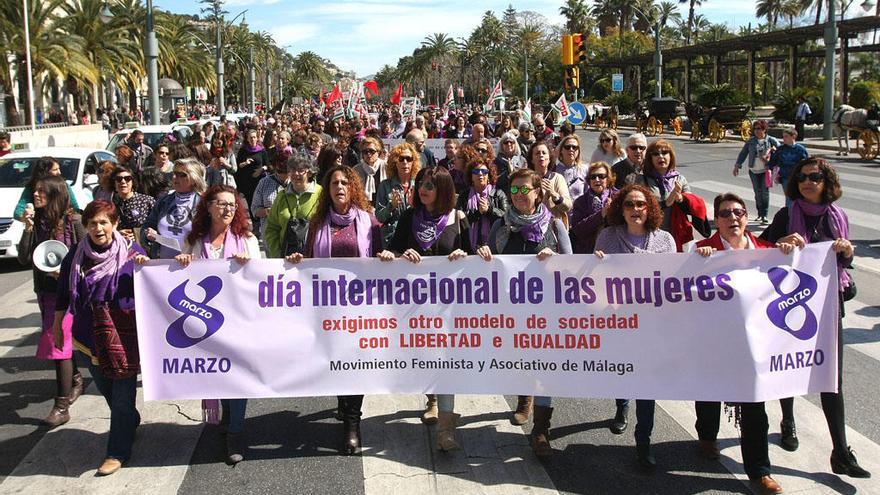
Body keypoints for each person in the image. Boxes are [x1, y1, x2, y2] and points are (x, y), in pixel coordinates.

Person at [759, 157, 870, 479]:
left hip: (828, 305)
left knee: (831, 377)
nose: (808, 181)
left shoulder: (838, 217)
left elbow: (844, 265)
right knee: (788, 365)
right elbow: (761, 246)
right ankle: (788, 419)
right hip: (790, 306)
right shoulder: (786, 214)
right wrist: (781, 244)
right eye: (803, 177)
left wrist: (847, 252)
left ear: (826, 182)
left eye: (816, 176)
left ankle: (841, 451)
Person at [692, 192, 794, 495]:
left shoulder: (767, 250)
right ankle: (707, 436)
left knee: (754, 407)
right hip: (714, 340)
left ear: (746, 217)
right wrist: (697, 263)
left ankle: (759, 470)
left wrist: (789, 250)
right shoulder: (702, 249)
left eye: (737, 212)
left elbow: (793, 273)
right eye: (724, 214)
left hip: (754, 344)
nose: (731, 218)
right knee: (708, 393)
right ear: (716, 220)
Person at [288, 165, 391, 455]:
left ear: (353, 187)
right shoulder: (317, 222)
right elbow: (308, 262)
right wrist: (297, 260)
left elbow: (380, 254)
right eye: (334, 182)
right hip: (328, 309)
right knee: (336, 360)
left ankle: (352, 423)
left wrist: (384, 255)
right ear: (328, 189)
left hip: (360, 308)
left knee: (355, 362)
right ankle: (343, 406)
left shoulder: (368, 221)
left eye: (345, 182)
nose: (340, 187)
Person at [476, 168, 571, 456]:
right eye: (513, 190)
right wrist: (484, 256)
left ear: (537, 192)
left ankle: (541, 429)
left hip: (547, 312)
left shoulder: (554, 226)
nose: (518, 195)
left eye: (524, 189)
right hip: (513, 311)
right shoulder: (500, 225)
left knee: (544, 365)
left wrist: (554, 259)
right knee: (520, 359)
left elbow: (571, 264)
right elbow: (487, 263)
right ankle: (523, 399)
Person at [53, 200, 149, 476]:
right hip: (88, 335)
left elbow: (153, 286)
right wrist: (58, 326)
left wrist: (146, 266)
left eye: (104, 222)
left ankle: (117, 451)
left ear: (115, 224)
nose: (98, 228)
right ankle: (129, 420)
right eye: (93, 223)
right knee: (107, 389)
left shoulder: (133, 253)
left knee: (121, 396)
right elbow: (63, 293)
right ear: (86, 227)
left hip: (124, 336)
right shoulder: (76, 255)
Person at [388, 166, 471, 450]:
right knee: (426, 357)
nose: (423, 188)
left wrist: (464, 255)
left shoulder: (457, 220)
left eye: (430, 185)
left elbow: (475, 257)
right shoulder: (409, 217)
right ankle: (432, 399)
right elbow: (392, 251)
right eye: (421, 183)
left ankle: (447, 429)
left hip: (450, 307)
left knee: (446, 361)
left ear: (444, 190)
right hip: (415, 306)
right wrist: (400, 256)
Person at [175, 186, 259, 465]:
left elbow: (261, 280)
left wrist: (249, 265)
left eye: (232, 205)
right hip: (206, 322)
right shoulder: (194, 240)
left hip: (238, 320)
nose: (227, 210)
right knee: (217, 373)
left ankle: (235, 432)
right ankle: (226, 415)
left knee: (237, 379)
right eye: (221, 204)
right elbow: (179, 276)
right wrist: (184, 261)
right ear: (208, 207)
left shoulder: (246, 239)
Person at [594, 184, 676, 471]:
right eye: (629, 204)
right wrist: (597, 265)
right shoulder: (607, 236)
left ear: (650, 207)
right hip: (620, 324)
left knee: (646, 384)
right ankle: (621, 405)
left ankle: (644, 442)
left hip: (652, 326)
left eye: (641, 204)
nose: (635, 209)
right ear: (621, 208)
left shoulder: (665, 241)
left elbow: (673, 283)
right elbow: (596, 282)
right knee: (624, 373)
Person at [17, 176, 85, 427]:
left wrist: (67, 272)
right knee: (60, 342)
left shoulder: (73, 221)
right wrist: (27, 228)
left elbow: (86, 255)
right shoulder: (38, 222)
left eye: (40, 192)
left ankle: (61, 405)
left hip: (67, 293)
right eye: (34, 192)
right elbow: (24, 258)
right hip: (45, 291)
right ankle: (76, 378)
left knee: (59, 344)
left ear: (54, 194)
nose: (34, 196)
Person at [634, 139, 708, 251]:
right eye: (656, 154)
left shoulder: (680, 179)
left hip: (677, 234)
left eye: (664, 153)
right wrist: (667, 202)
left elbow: (692, 205)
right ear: (650, 158)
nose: (661, 157)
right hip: (650, 234)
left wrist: (681, 198)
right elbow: (638, 207)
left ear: (671, 156)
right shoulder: (641, 179)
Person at [140, 158, 206, 259]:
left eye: (182, 175)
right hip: (161, 263)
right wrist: (148, 235)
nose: (175, 177)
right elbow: (148, 225)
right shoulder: (163, 201)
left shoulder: (204, 204)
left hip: (192, 264)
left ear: (194, 179)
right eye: (174, 173)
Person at [264, 155, 322, 258]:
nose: (296, 174)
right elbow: (271, 228)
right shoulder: (281, 196)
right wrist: (278, 255)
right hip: (286, 259)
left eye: (300, 170)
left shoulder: (321, 194)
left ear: (309, 172)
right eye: (292, 170)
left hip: (314, 260)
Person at [456, 156, 508, 250]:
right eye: (476, 172)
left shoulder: (498, 194)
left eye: (484, 172)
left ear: (489, 175)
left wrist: (489, 210)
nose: (480, 174)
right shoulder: (464, 195)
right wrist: (477, 212)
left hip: (494, 245)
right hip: (468, 247)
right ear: (471, 176)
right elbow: (459, 220)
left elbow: (506, 218)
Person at [734, 120, 779, 224]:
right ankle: (760, 213)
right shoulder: (751, 141)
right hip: (753, 171)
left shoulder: (771, 140)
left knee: (765, 193)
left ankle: (765, 215)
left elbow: (780, 150)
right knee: (757, 193)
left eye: (759, 128)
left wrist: (773, 150)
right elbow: (743, 153)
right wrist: (737, 166)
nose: (757, 131)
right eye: (755, 129)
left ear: (764, 129)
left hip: (766, 171)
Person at [376, 143, 420, 246]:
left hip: (413, 237)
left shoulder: (418, 185)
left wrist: (414, 206)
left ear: (413, 162)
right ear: (395, 163)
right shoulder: (385, 185)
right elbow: (379, 217)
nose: (405, 162)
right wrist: (391, 206)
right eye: (401, 159)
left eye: (408, 159)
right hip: (392, 239)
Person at [14, 157, 81, 220]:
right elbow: (18, 212)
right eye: (55, 170)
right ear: (44, 171)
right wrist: (26, 217)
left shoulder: (63, 186)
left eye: (59, 169)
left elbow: (75, 208)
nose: (59, 172)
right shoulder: (31, 188)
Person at [570, 162, 616, 254]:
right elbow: (578, 230)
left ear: (608, 179)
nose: (597, 179)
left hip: (614, 250)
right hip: (588, 252)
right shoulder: (581, 202)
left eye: (601, 176)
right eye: (593, 177)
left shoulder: (618, 197)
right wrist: (601, 215)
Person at [526, 141, 572, 228]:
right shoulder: (527, 180)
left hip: (554, 228)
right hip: (533, 227)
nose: (541, 155)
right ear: (532, 159)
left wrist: (554, 195)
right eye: (537, 153)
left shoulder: (557, 178)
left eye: (544, 153)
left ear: (549, 158)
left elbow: (568, 206)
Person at [251, 149, 292, 238]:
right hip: (270, 233)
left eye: (286, 171)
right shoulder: (264, 182)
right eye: (280, 171)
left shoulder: (296, 183)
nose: (283, 174)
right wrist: (268, 211)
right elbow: (254, 209)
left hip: (292, 233)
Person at [110, 166, 154, 244]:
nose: (123, 182)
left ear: (133, 182)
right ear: (114, 183)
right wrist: (117, 234)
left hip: (142, 249)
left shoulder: (147, 201)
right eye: (119, 179)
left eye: (127, 178)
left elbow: (157, 227)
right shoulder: (110, 206)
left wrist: (137, 234)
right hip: (119, 247)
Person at [768, 128, 809, 206]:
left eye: (786, 136)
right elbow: (773, 162)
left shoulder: (800, 149)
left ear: (793, 137)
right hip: (785, 177)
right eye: (783, 136)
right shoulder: (781, 149)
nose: (784, 139)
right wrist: (774, 172)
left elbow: (806, 163)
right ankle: (790, 215)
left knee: (799, 197)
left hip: (798, 178)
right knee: (789, 198)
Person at [234, 129, 269, 214]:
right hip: (248, 183)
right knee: (251, 204)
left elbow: (268, 165)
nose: (253, 139)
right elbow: (238, 166)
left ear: (257, 138)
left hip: (260, 181)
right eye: (251, 138)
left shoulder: (262, 150)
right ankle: (254, 224)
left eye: (254, 137)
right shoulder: (243, 151)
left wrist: (261, 169)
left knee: (261, 203)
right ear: (247, 139)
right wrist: (245, 163)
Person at [555, 134, 589, 205]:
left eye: (574, 147)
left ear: (578, 151)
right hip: (560, 213)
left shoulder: (585, 169)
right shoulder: (554, 170)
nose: (571, 149)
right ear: (561, 150)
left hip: (580, 213)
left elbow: (588, 194)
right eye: (567, 147)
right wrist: (525, 190)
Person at [353, 136, 386, 205]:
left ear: (378, 152)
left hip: (383, 206)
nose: (368, 154)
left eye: (372, 151)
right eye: (365, 152)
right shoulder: (356, 170)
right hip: (363, 207)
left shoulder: (386, 167)